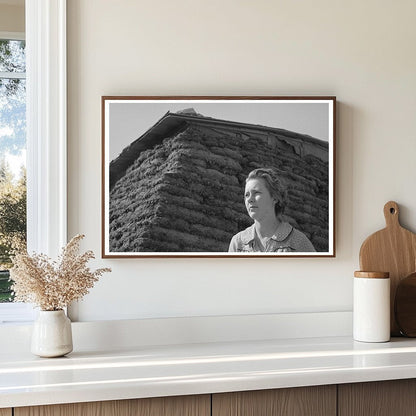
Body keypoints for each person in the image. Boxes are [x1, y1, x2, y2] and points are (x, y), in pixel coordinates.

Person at [228, 168, 316, 253]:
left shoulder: (298, 242)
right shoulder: (238, 243)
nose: (249, 199)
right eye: (247, 195)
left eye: (256, 193)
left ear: (274, 197)